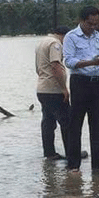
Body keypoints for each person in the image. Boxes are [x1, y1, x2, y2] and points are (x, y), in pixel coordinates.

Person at [63, 6, 99, 172]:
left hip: (96, 83)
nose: (93, 27)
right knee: (75, 124)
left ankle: (98, 163)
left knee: (96, 124)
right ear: (82, 21)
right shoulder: (71, 37)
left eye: (95, 23)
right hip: (79, 82)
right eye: (90, 23)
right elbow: (69, 62)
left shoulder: (98, 36)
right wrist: (90, 63)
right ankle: (73, 165)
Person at [35, 25, 70, 160]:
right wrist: (63, 88)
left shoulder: (42, 42)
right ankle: (71, 152)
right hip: (54, 90)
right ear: (64, 36)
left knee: (48, 121)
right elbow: (55, 66)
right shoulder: (55, 44)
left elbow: (38, 67)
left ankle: (49, 153)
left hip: (42, 88)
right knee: (67, 121)